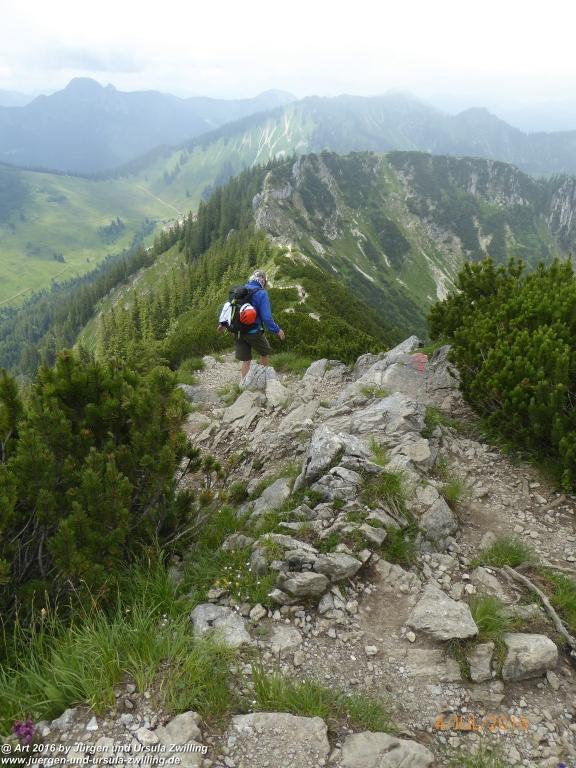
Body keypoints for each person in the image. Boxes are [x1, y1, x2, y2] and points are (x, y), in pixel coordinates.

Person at [217, 270, 285, 378]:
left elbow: (229, 307)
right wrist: (277, 330)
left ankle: (244, 384)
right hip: (253, 331)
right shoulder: (262, 293)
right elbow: (266, 317)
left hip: (237, 331)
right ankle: (260, 379)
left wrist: (223, 324)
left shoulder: (240, 290)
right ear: (263, 280)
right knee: (264, 354)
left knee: (246, 360)